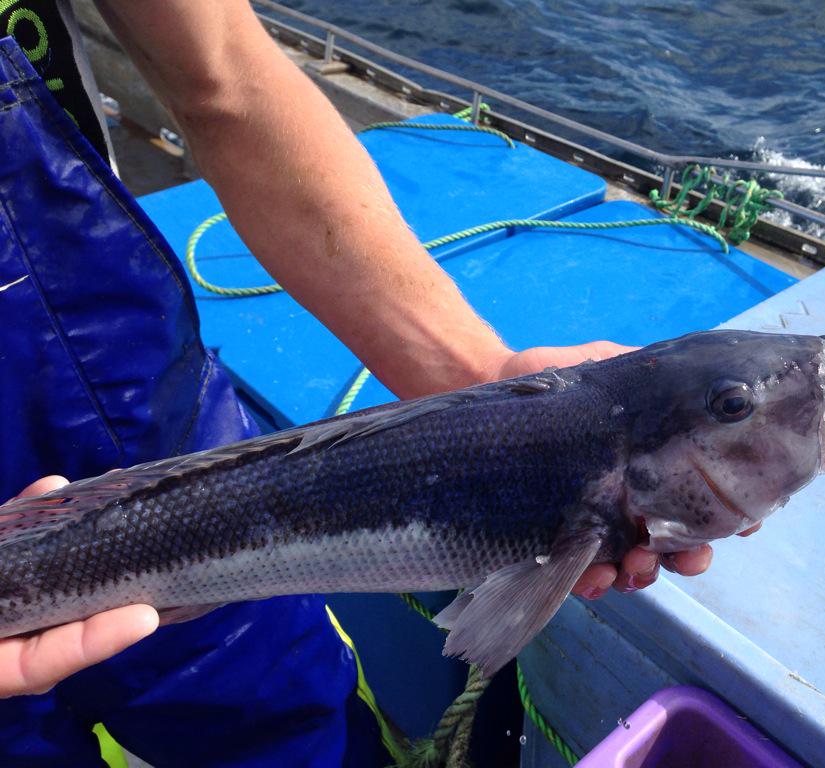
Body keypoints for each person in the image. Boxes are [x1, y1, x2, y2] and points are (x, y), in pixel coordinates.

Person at [0, 0, 756, 761]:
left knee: (285, 723)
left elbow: (219, 70)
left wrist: (481, 379)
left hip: (134, 400)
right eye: (733, 407)